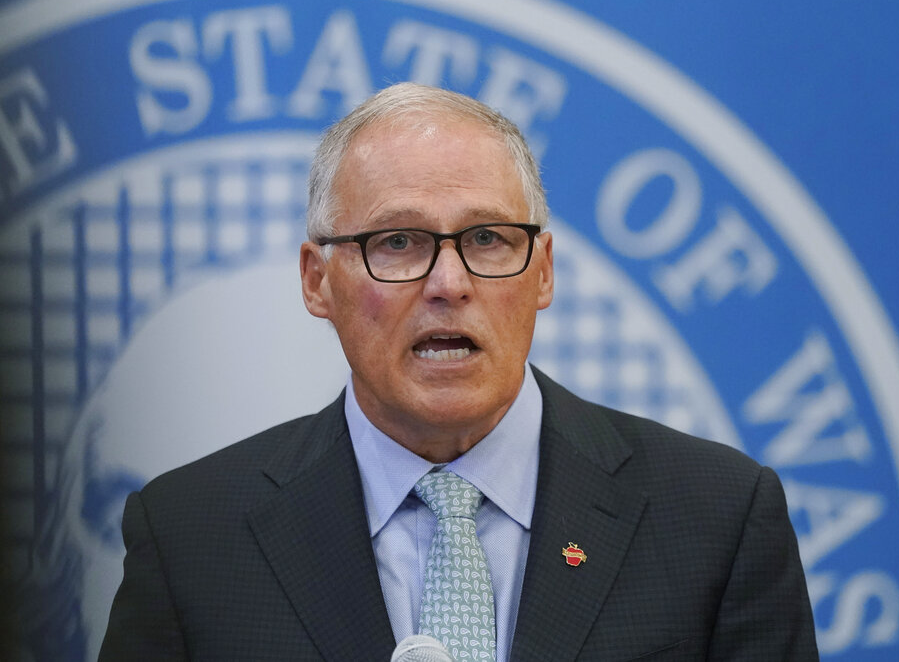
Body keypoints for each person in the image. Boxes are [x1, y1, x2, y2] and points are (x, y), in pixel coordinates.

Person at [100, 83, 818, 661]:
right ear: (317, 281)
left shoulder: (715, 517)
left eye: (487, 238)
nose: (449, 282)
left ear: (543, 271)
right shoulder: (192, 537)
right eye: (399, 241)